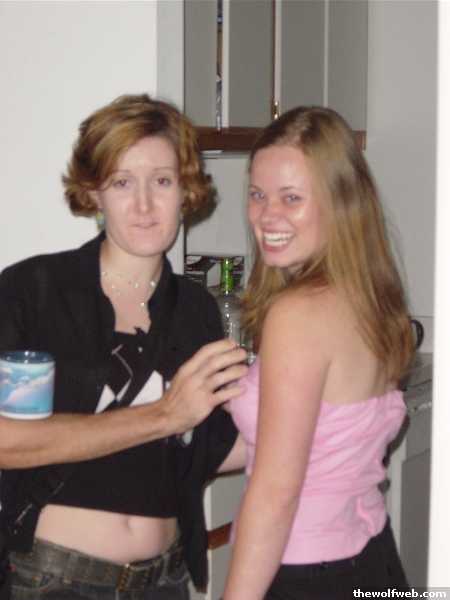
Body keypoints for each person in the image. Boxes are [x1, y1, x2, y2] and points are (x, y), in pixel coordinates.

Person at [0, 93, 248, 600]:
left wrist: (336, 412)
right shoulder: (35, 292)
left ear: (186, 190)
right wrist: (164, 415)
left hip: (165, 581)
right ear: (94, 193)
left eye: (162, 181)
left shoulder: (197, 310)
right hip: (55, 582)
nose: (144, 205)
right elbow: (7, 442)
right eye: (122, 182)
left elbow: (211, 447)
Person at [223, 106, 415, 599]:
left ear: (340, 202)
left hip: (306, 572)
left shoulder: (298, 314)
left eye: (292, 197)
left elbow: (276, 494)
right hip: (374, 558)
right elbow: (325, 440)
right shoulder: (372, 298)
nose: (268, 216)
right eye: (258, 195)